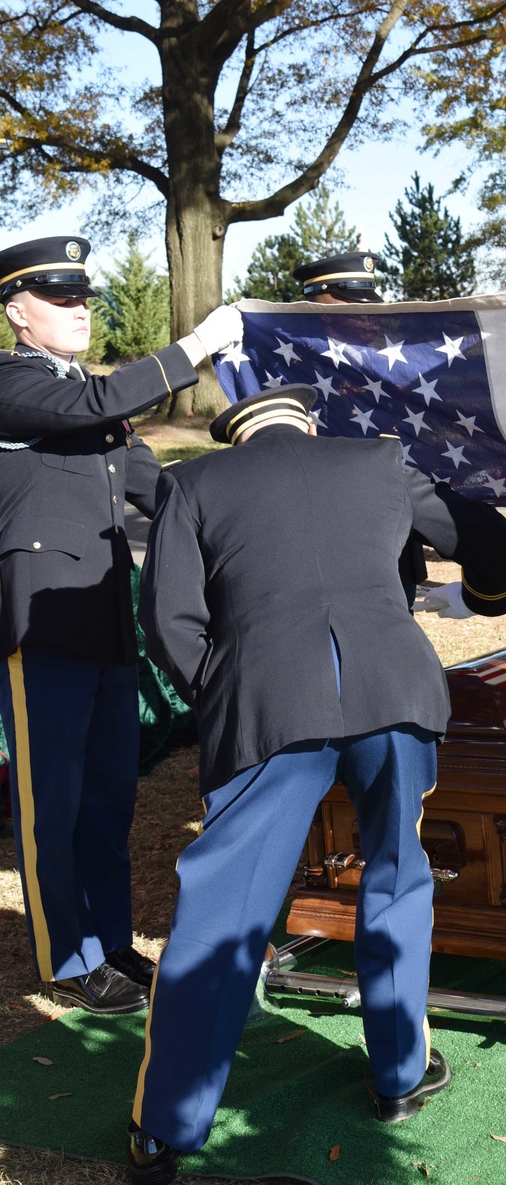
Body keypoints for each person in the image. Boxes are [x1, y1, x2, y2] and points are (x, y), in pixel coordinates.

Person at [127, 384, 506, 1182]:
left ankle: (167, 1128)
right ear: (309, 424)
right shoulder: (376, 460)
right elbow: (479, 528)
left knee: (224, 912)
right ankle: (399, 1077)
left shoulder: (194, 484)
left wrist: (231, 685)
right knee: (397, 879)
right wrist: (489, 597)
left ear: (240, 438)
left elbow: (168, 619)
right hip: (393, 691)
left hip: (268, 701)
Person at [0, 234, 242, 1015]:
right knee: (52, 806)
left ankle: (109, 944)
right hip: (39, 629)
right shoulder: (16, 381)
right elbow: (99, 405)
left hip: (104, 624)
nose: (78, 310)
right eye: (59, 298)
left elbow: (162, 491)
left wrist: (259, 484)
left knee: (110, 799)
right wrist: (198, 346)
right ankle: (66, 959)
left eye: (82, 298)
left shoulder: (85, 394)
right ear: (16, 313)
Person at [292, 250, 429, 606]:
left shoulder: (389, 358)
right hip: (328, 528)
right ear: (318, 304)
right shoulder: (290, 361)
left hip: (392, 525)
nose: (366, 316)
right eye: (348, 305)